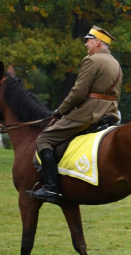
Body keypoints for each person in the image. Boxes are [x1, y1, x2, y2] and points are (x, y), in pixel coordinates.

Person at [28, 25, 122, 204]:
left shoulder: (92, 60)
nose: (86, 45)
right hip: (110, 112)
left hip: (90, 112)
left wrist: (60, 111)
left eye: (88, 41)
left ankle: (51, 188)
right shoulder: (115, 64)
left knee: (44, 139)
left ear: (97, 42)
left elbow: (78, 92)